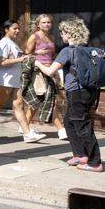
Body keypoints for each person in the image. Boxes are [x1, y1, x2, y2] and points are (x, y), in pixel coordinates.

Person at [37, 18, 104, 172]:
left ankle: (95, 162)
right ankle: (80, 154)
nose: (61, 36)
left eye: (62, 32)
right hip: (91, 91)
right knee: (69, 121)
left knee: (82, 125)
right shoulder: (88, 49)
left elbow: (49, 71)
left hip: (77, 93)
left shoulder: (67, 51)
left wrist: (37, 63)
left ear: (69, 33)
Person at [0, 19, 41, 142]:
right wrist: (21, 60)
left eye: (18, 28)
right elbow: (2, 62)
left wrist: (28, 56)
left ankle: (27, 134)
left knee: (19, 106)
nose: (17, 31)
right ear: (6, 29)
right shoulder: (3, 43)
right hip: (4, 81)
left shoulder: (12, 43)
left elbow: (17, 58)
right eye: (15, 28)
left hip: (15, 80)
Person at [26, 13, 66, 141]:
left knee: (43, 100)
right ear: (38, 24)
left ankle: (24, 125)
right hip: (39, 71)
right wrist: (37, 52)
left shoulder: (52, 37)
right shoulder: (34, 36)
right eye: (43, 22)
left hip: (51, 70)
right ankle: (61, 130)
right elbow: (26, 54)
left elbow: (53, 54)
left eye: (48, 22)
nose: (46, 24)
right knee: (46, 99)